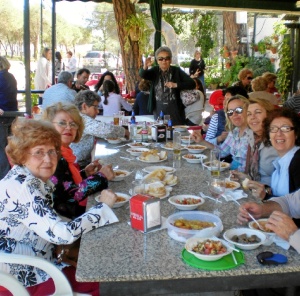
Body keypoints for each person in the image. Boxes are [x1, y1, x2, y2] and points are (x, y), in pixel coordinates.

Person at [0, 118, 118, 295]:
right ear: (22, 155)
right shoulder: (25, 187)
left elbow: (46, 218)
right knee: (91, 277)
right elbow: (63, 234)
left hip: (34, 260)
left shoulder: (27, 177)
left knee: (92, 269)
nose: (48, 159)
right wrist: (103, 209)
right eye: (38, 152)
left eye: (52, 151)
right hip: (21, 277)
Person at [43, 103, 115, 219]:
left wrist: (84, 173)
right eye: (62, 123)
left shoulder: (63, 152)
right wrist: (101, 176)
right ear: (48, 127)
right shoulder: (51, 156)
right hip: (64, 222)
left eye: (73, 124)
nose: (68, 127)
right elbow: (73, 195)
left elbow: (63, 184)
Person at [241, 108, 300, 201]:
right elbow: (279, 194)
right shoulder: (280, 162)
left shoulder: (297, 162)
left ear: (296, 134)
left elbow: (294, 207)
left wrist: (265, 196)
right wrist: (264, 190)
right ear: (269, 136)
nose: (279, 134)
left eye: (285, 128)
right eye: (273, 129)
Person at [192, 95, 252, 172]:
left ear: (248, 110)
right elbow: (222, 152)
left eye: (238, 110)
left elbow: (253, 169)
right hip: (233, 172)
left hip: (244, 177)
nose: (234, 114)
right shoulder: (234, 132)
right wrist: (201, 141)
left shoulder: (254, 134)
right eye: (230, 112)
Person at [71, 90, 129, 168]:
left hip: (80, 161)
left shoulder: (79, 116)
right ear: (84, 107)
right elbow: (107, 130)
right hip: (77, 165)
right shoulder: (82, 119)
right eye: (95, 107)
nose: (98, 111)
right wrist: (125, 132)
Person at [139, 46, 195, 125]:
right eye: (161, 59)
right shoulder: (155, 71)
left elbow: (192, 83)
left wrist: (175, 85)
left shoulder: (176, 71)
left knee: (176, 132)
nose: (164, 61)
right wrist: (145, 66)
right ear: (157, 61)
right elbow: (143, 74)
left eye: (167, 58)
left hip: (175, 108)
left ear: (171, 60)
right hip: (158, 108)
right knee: (160, 131)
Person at [231, 98, 277, 187]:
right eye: (249, 114)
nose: (252, 117)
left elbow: (286, 184)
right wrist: (245, 177)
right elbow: (257, 175)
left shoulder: (277, 141)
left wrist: (266, 191)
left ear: (269, 115)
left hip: (273, 197)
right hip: (254, 190)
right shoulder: (253, 139)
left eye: (258, 112)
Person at [0, 56, 18, 179]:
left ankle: (4, 177)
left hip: (2, 116)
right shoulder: (10, 77)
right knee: (9, 147)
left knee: (1, 148)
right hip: (11, 115)